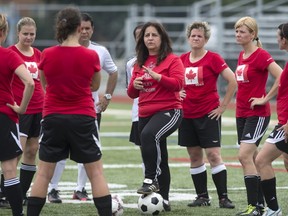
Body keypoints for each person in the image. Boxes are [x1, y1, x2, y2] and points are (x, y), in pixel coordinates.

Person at [26, 7, 112, 216]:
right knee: (96, 173)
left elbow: (45, 83)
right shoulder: (90, 55)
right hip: (83, 117)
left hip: (53, 116)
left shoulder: (47, 54)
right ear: (78, 27)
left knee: (44, 174)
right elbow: (94, 86)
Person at [47, 12, 118, 203]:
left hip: (89, 110)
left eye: (88, 28)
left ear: (92, 30)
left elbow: (113, 72)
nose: (84, 32)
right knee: (59, 152)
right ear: (76, 29)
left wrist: (107, 97)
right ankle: (52, 189)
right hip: (64, 109)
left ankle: (80, 189)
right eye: (82, 28)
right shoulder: (59, 51)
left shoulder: (100, 51)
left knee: (88, 153)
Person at [177, 21, 237, 209]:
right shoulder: (181, 59)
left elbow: (233, 80)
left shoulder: (214, 58)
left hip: (208, 114)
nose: (196, 38)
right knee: (194, 156)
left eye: (200, 36)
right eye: (193, 35)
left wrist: (223, 106)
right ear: (188, 38)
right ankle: (202, 197)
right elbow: (173, 83)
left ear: (206, 39)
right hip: (187, 115)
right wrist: (176, 93)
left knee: (213, 155)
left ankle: (223, 198)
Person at [127, 21, 184, 211]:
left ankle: (151, 178)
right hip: (145, 113)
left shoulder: (172, 60)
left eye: (154, 35)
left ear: (162, 38)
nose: (150, 38)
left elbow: (178, 84)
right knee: (162, 156)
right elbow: (132, 94)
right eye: (146, 35)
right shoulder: (138, 62)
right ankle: (164, 199)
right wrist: (134, 85)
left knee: (148, 136)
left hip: (170, 111)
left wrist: (158, 77)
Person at [234, 16, 282, 216]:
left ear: (253, 34)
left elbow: (281, 76)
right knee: (252, 157)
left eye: (242, 31)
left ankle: (255, 206)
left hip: (257, 114)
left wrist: (265, 99)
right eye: (236, 31)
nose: (238, 35)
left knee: (243, 156)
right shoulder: (241, 55)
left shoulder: (261, 55)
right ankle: (260, 206)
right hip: (241, 113)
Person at [0, 13, 35, 216]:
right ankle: (17, 214)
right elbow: (30, 82)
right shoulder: (9, 55)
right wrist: (21, 108)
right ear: (4, 32)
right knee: (9, 168)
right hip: (4, 116)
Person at [8, 17, 43, 205]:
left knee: (32, 150)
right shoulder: (10, 53)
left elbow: (42, 81)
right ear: (18, 33)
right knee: (15, 152)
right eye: (25, 34)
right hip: (20, 109)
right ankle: (5, 192)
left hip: (39, 108)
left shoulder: (38, 54)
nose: (29, 37)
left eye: (32, 34)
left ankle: (21, 194)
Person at [255, 22, 288, 216]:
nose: (276, 39)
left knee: (261, 160)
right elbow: (281, 81)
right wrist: (266, 98)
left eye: (278, 36)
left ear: (285, 38)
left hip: (286, 124)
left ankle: (274, 209)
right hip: (283, 121)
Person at [126, 24, 143, 147]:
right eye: (139, 36)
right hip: (139, 112)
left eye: (146, 35)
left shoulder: (163, 60)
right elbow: (130, 91)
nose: (143, 39)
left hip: (157, 112)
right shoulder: (131, 64)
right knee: (144, 150)